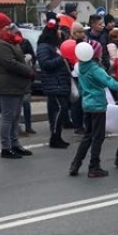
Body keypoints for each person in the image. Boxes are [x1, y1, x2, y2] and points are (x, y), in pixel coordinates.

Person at [69, 41, 118, 178]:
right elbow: (112, 84)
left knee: (88, 136)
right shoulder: (95, 69)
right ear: (95, 53)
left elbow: (82, 87)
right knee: (98, 137)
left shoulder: (81, 66)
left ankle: (75, 164)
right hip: (97, 105)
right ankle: (94, 167)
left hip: (86, 104)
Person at [0, 11, 33, 159]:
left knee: (15, 116)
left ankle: (15, 144)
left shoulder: (9, 40)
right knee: (8, 116)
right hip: (7, 83)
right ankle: (6, 147)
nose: (10, 28)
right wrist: (28, 71)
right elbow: (10, 63)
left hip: (15, 83)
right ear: (0, 28)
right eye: (7, 26)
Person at [37, 21, 72, 149]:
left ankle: (58, 136)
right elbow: (45, 64)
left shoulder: (54, 46)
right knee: (59, 110)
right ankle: (54, 137)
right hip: (53, 83)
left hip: (60, 82)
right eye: (57, 30)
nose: (59, 33)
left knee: (62, 109)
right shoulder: (43, 47)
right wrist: (62, 58)